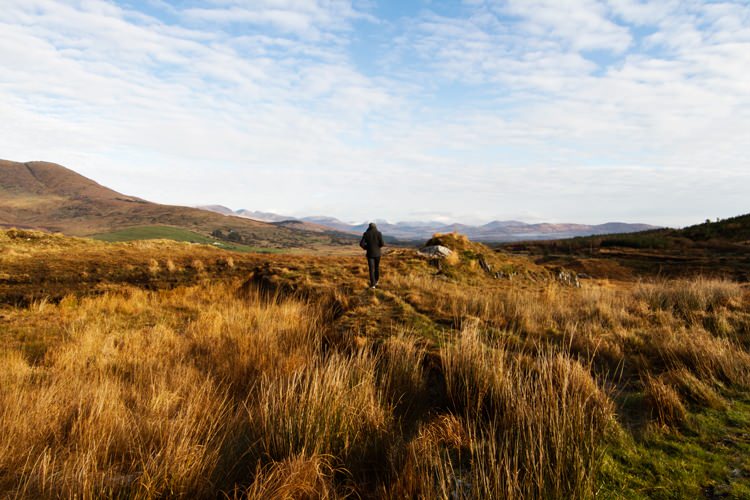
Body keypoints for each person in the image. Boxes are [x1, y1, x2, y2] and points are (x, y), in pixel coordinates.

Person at [360, 222, 384, 288]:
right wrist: (377, 247)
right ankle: (376, 281)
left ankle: (373, 284)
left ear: (369, 227)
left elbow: (361, 244)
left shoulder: (366, 234)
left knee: (371, 269)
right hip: (378, 254)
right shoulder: (379, 233)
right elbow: (382, 243)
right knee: (376, 267)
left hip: (370, 254)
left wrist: (367, 247)